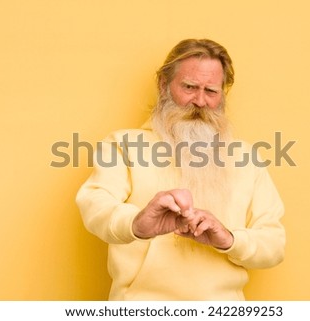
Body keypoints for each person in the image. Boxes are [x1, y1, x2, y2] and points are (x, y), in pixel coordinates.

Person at [76, 38, 285, 300]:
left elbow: (274, 243)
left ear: (223, 94)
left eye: (211, 91)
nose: (200, 101)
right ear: (164, 85)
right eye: (189, 87)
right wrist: (137, 223)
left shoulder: (247, 158)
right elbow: (95, 205)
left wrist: (229, 239)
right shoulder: (123, 144)